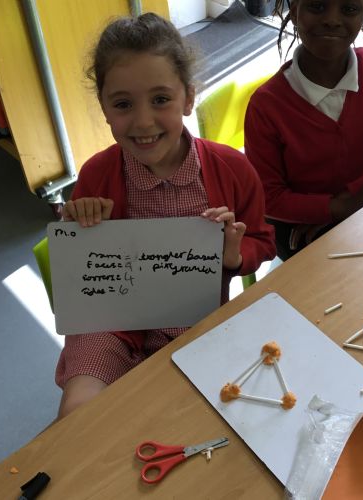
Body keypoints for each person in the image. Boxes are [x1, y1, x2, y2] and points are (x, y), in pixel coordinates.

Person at [55, 13, 276, 419]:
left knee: (198, 419)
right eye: (123, 104)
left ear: (188, 98)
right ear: (104, 107)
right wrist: (80, 227)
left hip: (199, 322)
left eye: (160, 99)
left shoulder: (232, 169)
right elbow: (81, 275)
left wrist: (233, 254)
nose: (143, 122)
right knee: (80, 414)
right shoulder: (97, 175)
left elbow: (262, 241)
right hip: (112, 323)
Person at [244, 0, 363, 261]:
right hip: (296, 222)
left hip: (360, 200)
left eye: (349, 9)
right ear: (295, 12)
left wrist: (349, 199)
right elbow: (269, 198)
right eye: (317, 7)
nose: (332, 20)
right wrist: (335, 207)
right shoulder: (266, 105)